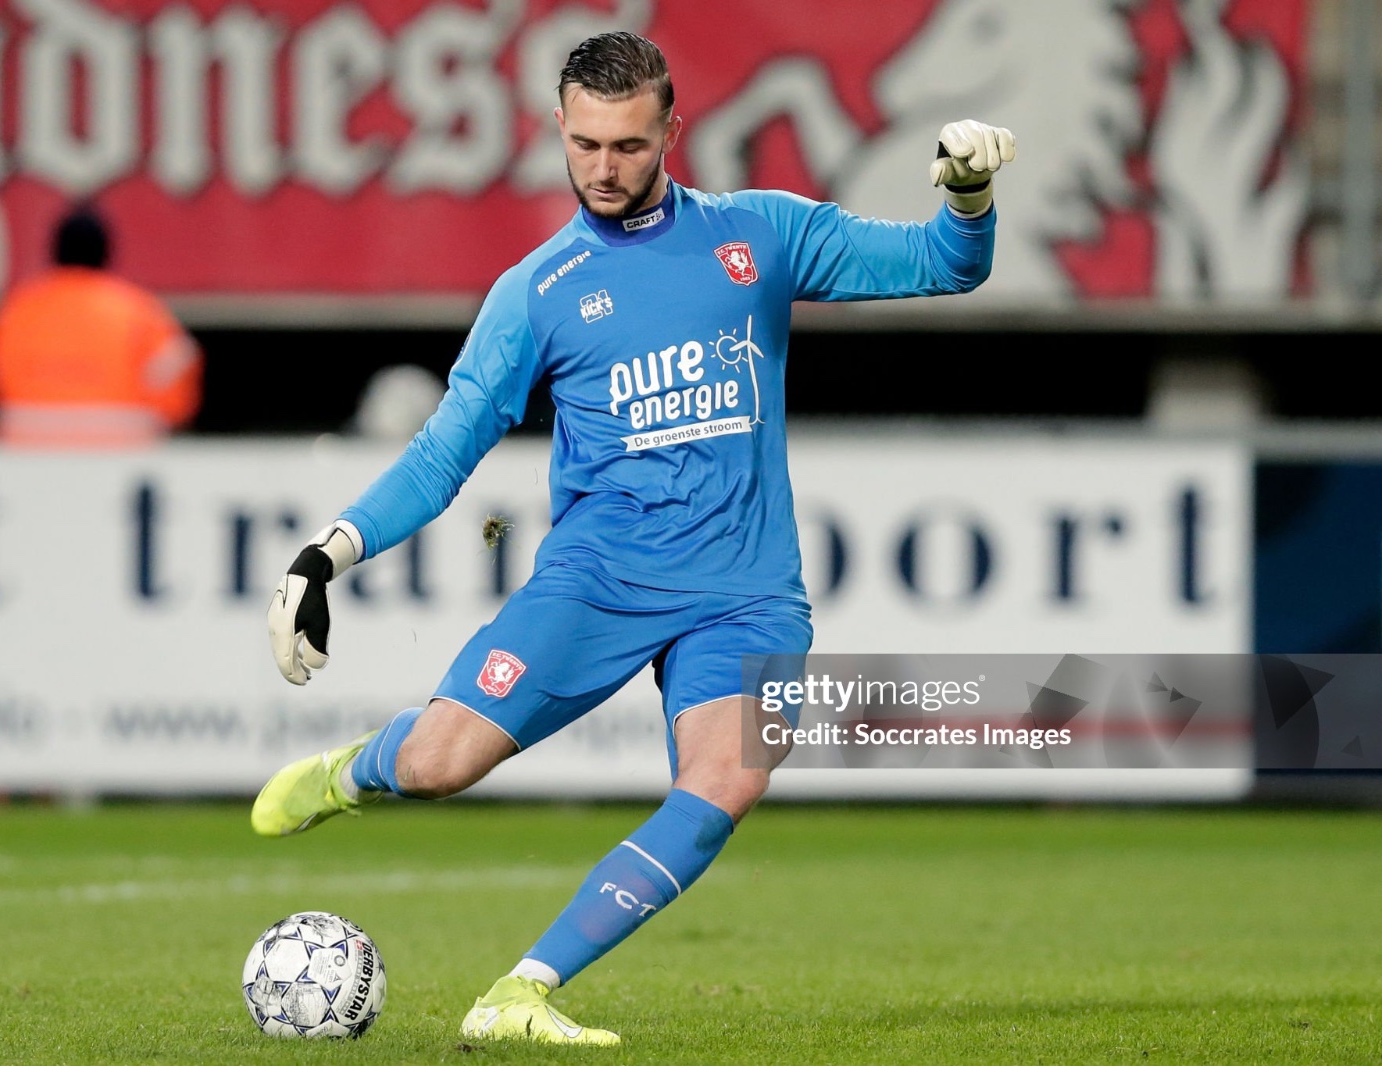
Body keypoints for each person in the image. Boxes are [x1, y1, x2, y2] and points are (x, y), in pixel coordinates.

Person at [256, 31, 1014, 1045]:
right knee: (440, 765)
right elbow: (443, 456)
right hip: (599, 579)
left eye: (625, 145)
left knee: (728, 779)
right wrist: (326, 554)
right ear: (557, 132)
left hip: (747, 590)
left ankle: (522, 991)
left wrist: (968, 198)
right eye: (582, 146)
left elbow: (940, 265)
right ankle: (349, 773)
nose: (602, 170)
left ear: (671, 130)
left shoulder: (760, 235)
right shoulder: (536, 291)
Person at [0, 206, 201, 447]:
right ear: (107, 251)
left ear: (54, 250)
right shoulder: (139, 310)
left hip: (25, 446)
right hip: (119, 450)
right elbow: (176, 396)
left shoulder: (15, 311)